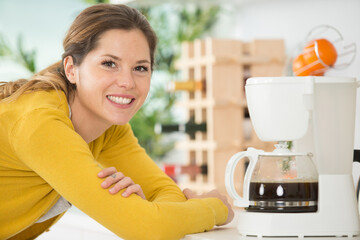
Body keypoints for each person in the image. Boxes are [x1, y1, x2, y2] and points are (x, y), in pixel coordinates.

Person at [0, 3, 234, 240]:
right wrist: (215, 208)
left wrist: (151, 211)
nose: (127, 82)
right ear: (71, 69)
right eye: (109, 63)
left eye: (140, 68)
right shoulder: (40, 123)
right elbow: (148, 227)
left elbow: (164, 193)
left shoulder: (110, 129)